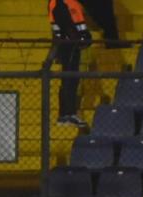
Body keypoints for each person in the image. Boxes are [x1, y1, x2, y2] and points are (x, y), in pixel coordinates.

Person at [48, 0, 92, 129]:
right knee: (70, 79)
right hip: (70, 45)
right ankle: (68, 114)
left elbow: (61, 24)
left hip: (66, 44)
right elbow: (73, 25)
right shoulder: (64, 2)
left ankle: (65, 114)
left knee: (68, 78)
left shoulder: (58, 2)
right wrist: (82, 38)